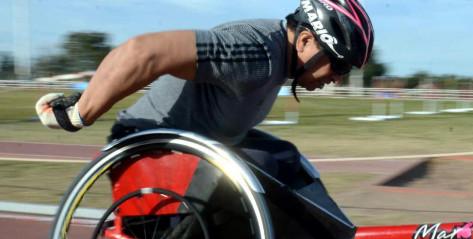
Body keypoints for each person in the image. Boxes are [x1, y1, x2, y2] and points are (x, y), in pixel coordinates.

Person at [35, 0, 374, 183]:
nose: (338, 78)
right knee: (261, 165)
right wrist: (79, 113)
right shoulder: (255, 52)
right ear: (304, 42)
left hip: (199, 147)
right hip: (147, 146)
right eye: (339, 65)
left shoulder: (279, 59)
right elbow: (143, 52)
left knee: (287, 159)